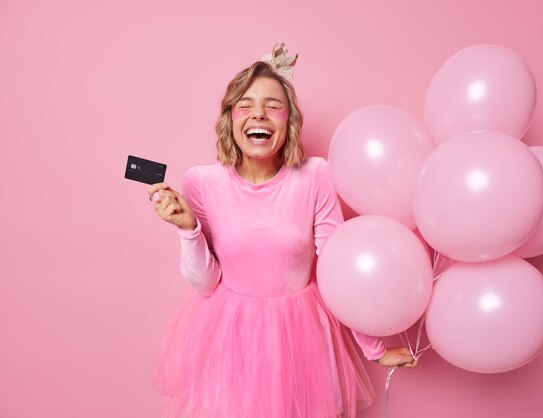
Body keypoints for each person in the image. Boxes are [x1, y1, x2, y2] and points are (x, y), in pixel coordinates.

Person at [148, 43, 416, 418]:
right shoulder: (201, 182)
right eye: (246, 104)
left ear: (288, 120)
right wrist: (188, 228)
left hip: (299, 340)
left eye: (273, 105)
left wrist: (374, 348)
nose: (259, 114)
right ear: (229, 118)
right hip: (231, 340)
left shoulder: (315, 176)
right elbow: (204, 284)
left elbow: (341, 270)